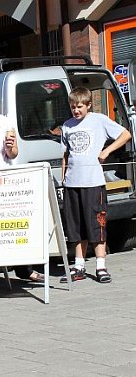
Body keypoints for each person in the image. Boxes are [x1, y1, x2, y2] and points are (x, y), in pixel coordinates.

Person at [60, 87, 132, 284]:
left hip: (93, 182)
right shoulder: (67, 125)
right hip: (72, 183)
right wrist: (64, 177)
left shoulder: (99, 120)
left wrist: (106, 151)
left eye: (80, 107)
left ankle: (101, 266)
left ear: (89, 105)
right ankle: (79, 266)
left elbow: (125, 134)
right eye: (73, 107)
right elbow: (65, 154)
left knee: (96, 224)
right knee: (76, 225)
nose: (76, 110)